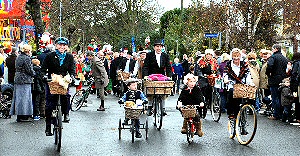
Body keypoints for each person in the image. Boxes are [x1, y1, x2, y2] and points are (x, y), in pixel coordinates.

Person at [41, 37, 75, 136]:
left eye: (64, 45)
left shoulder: (69, 57)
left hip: (64, 81)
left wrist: (72, 77)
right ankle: (48, 127)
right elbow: (43, 69)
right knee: (49, 104)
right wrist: (44, 76)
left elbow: (72, 70)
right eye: (60, 45)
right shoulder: (49, 56)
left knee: (66, 97)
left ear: (67, 47)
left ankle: (66, 114)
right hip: (52, 81)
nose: (62, 47)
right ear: (56, 46)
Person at [142, 39, 172, 115]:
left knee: (164, 91)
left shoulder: (165, 56)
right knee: (150, 91)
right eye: (157, 46)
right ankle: (149, 106)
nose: (159, 48)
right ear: (154, 47)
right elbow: (145, 66)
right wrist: (145, 76)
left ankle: (163, 108)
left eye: (160, 46)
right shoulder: (149, 55)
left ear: (162, 47)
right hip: (151, 76)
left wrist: (169, 76)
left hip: (161, 76)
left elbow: (168, 67)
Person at [223, 48, 253, 118]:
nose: (236, 58)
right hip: (232, 83)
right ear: (232, 57)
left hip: (241, 83)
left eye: (238, 56)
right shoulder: (228, 64)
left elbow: (248, 74)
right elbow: (225, 74)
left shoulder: (244, 64)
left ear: (240, 56)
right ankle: (231, 112)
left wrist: (250, 83)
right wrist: (226, 79)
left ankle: (247, 108)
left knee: (248, 93)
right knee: (232, 92)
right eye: (234, 56)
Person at [10, 44, 35, 122]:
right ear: (28, 51)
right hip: (25, 79)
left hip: (17, 78)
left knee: (18, 98)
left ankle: (19, 115)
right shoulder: (26, 58)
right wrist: (35, 74)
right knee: (25, 98)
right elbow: (29, 70)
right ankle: (24, 115)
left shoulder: (18, 57)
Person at [266, 44, 288, 120]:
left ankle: (276, 114)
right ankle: (282, 114)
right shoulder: (284, 58)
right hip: (282, 79)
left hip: (274, 79)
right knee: (281, 97)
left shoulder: (273, 57)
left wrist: (268, 73)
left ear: (275, 49)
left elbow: (269, 66)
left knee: (275, 97)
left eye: (272, 49)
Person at [290, 52, 300, 123]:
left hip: (296, 85)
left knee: (296, 100)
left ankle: (297, 116)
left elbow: (294, 73)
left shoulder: (296, 63)